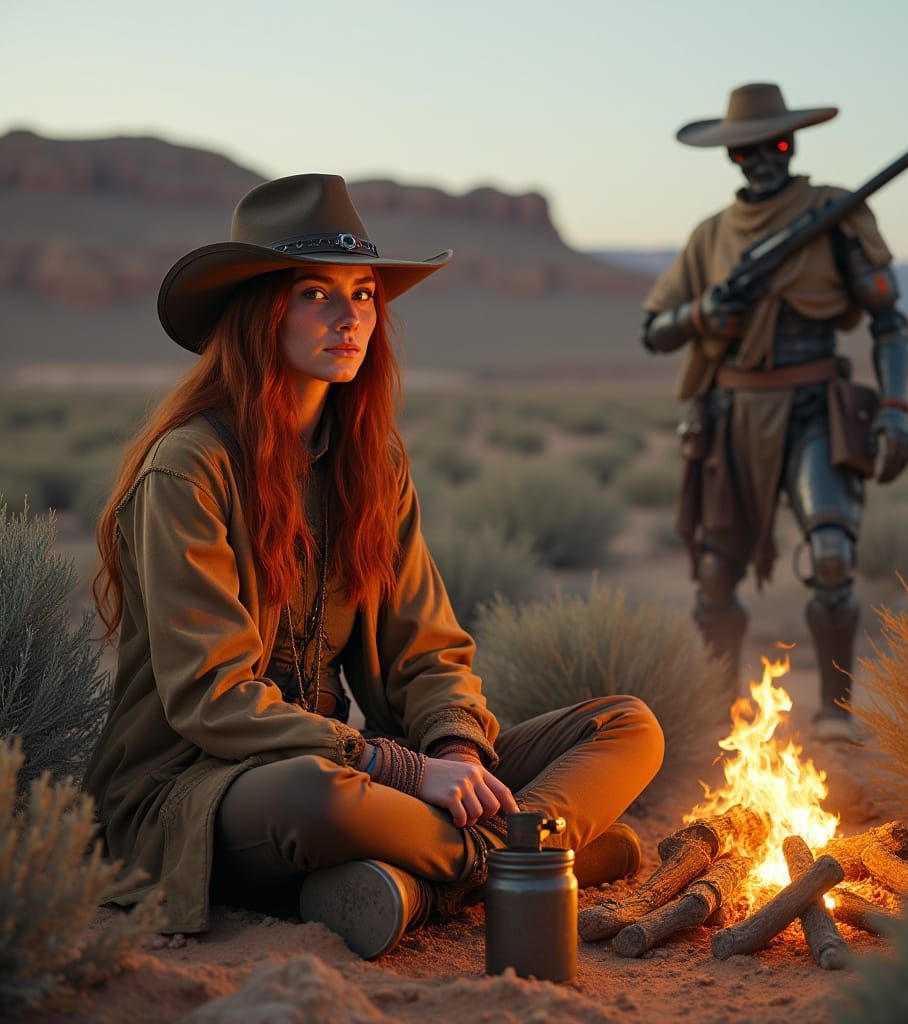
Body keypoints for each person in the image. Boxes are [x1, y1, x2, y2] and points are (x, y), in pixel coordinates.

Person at [84, 173, 664, 959]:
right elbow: (212, 699)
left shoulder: (369, 463)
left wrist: (455, 749)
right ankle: (532, 859)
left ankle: (412, 882)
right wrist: (395, 766)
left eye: (362, 295)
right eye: (316, 293)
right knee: (321, 798)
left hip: (356, 772)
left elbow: (427, 653)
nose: (348, 317)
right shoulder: (187, 470)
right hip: (203, 786)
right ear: (260, 311)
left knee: (627, 726)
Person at [640, 83, 908, 743]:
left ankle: (834, 712)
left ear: (794, 144)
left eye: (778, 144)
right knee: (713, 574)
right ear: (733, 158)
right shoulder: (710, 237)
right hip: (729, 411)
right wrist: (701, 314)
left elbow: (888, 320)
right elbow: (654, 329)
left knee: (829, 555)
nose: (765, 159)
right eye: (748, 150)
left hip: (815, 406)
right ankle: (720, 711)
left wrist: (896, 408)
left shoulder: (836, 216)